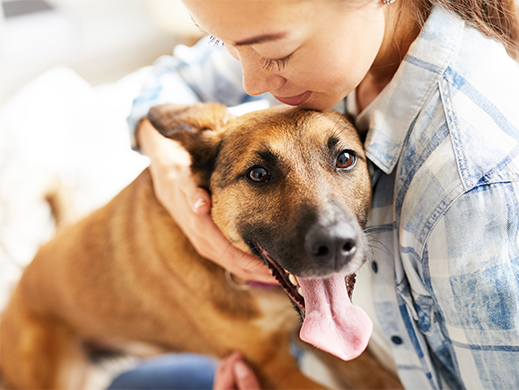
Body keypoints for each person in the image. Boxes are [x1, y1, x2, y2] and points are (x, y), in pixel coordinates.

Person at [119, 0, 519, 389]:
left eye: (279, 52)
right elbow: (168, 81)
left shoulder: (466, 189)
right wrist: (172, 173)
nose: (252, 85)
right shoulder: (307, 26)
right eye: (226, 44)